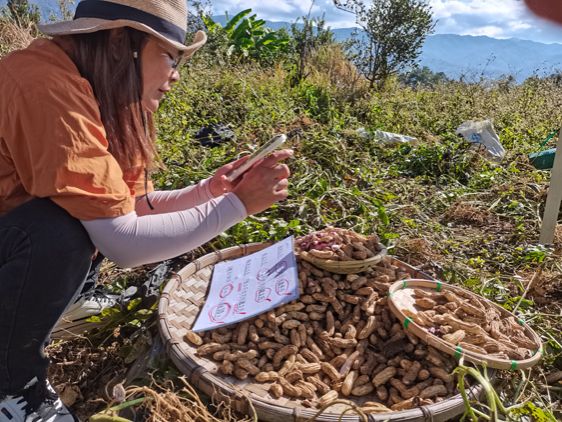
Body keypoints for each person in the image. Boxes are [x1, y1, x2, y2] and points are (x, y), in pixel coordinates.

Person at [0, 0, 292, 420]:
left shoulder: (108, 96)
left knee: (80, 215)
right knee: (59, 231)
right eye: (170, 58)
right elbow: (124, 243)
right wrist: (238, 205)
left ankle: (75, 298)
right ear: (122, 42)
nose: (174, 78)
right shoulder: (42, 84)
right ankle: (12, 384)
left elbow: (131, 205)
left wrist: (209, 190)